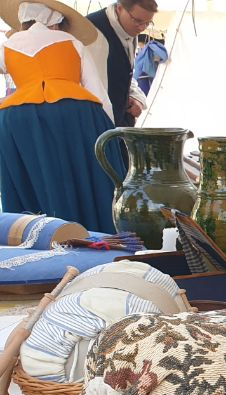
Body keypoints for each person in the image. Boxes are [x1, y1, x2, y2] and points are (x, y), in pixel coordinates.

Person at [0, 0, 122, 232]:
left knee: (32, 184)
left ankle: (35, 236)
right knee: (81, 177)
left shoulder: (8, 46)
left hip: (18, 118)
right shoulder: (72, 42)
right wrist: (109, 134)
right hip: (74, 113)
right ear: (56, 23)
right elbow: (98, 92)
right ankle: (88, 233)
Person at [85, 0, 154, 128]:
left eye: (148, 23)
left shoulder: (127, 28)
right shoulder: (93, 31)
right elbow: (92, 86)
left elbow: (125, 73)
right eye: (137, 21)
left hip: (119, 124)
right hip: (98, 125)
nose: (142, 28)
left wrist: (136, 98)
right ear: (119, 8)